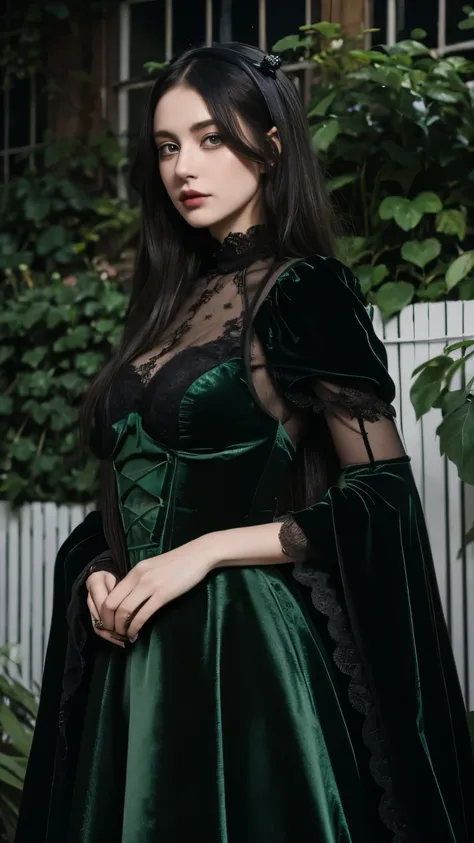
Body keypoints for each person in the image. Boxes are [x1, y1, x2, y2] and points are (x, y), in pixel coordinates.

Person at [15, 42, 474, 843]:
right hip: (132, 658)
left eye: (210, 137)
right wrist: (98, 569)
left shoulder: (305, 291)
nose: (183, 165)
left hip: (242, 656)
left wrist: (209, 550)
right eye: (166, 146)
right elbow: (139, 490)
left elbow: (383, 495)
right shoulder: (167, 303)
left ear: (269, 145)